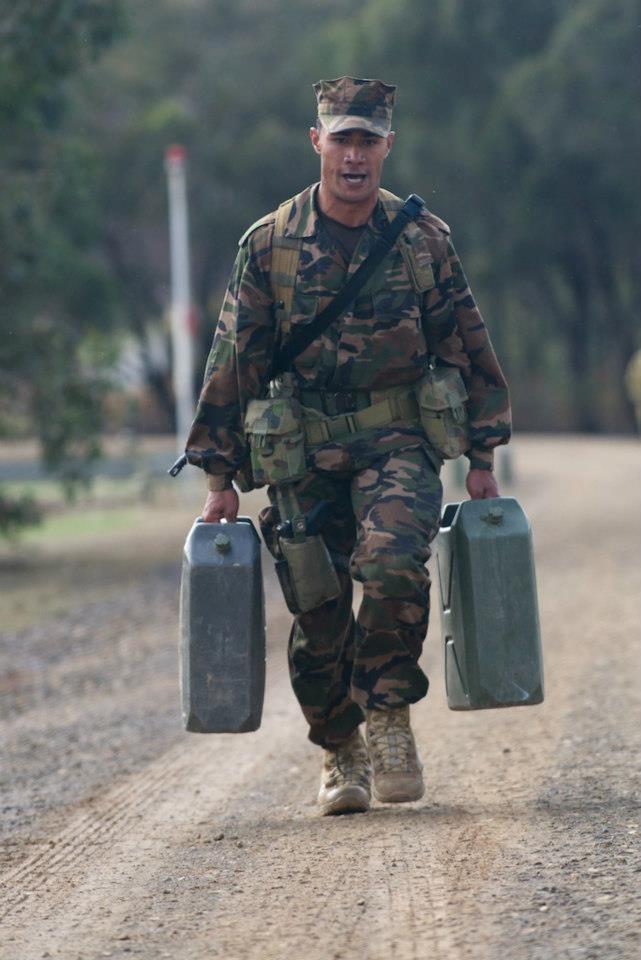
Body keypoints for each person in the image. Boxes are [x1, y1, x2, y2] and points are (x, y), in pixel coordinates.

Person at [183, 77, 511, 815]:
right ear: (317, 143)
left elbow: (467, 344)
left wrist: (483, 455)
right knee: (318, 609)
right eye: (342, 139)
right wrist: (218, 473)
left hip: (397, 437)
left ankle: (389, 717)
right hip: (300, 450)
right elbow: (233, 358)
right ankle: (339, 746)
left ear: (387, 146)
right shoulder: (269, 246)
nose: (354, 154)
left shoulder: (423, 241)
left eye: (368, 139)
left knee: (394, 563)